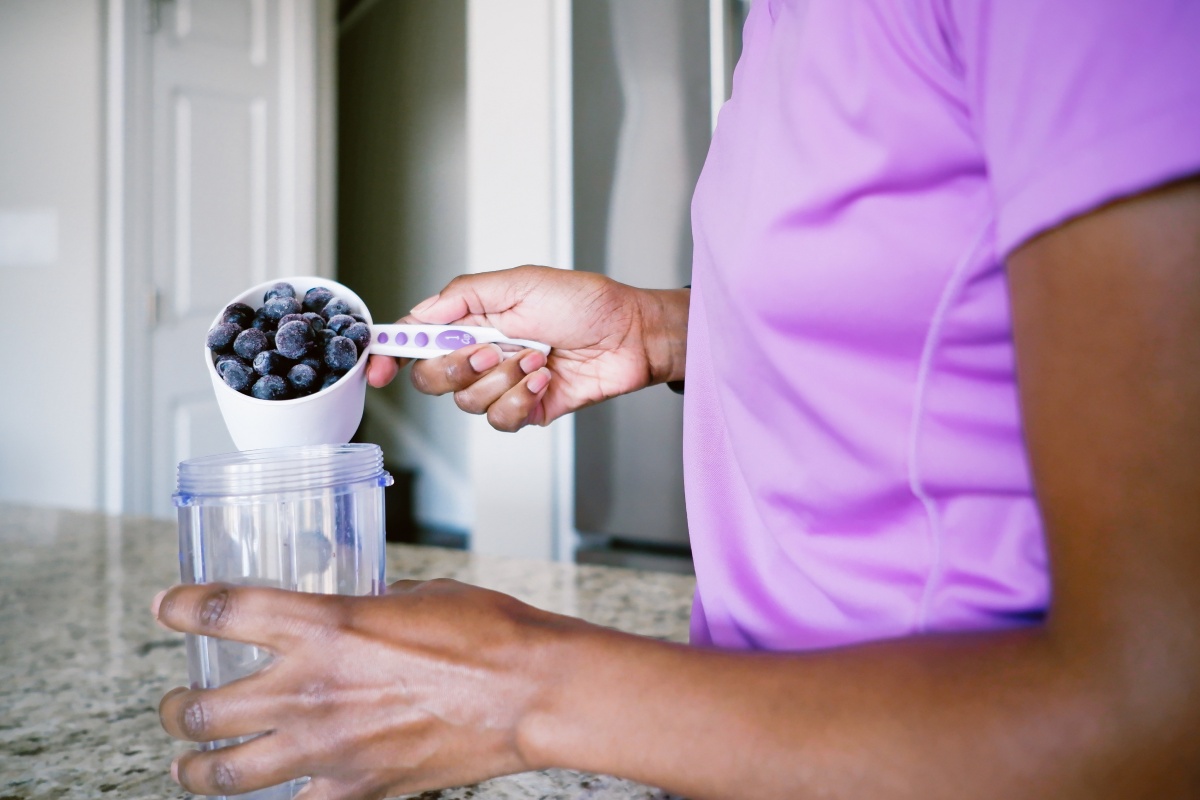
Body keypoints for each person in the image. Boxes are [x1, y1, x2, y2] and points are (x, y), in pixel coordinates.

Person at [152, 1, 1200, 797]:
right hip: (738, 746)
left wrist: (522, 684)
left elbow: (1164, 715)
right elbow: (936, 307)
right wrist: (658, 329)